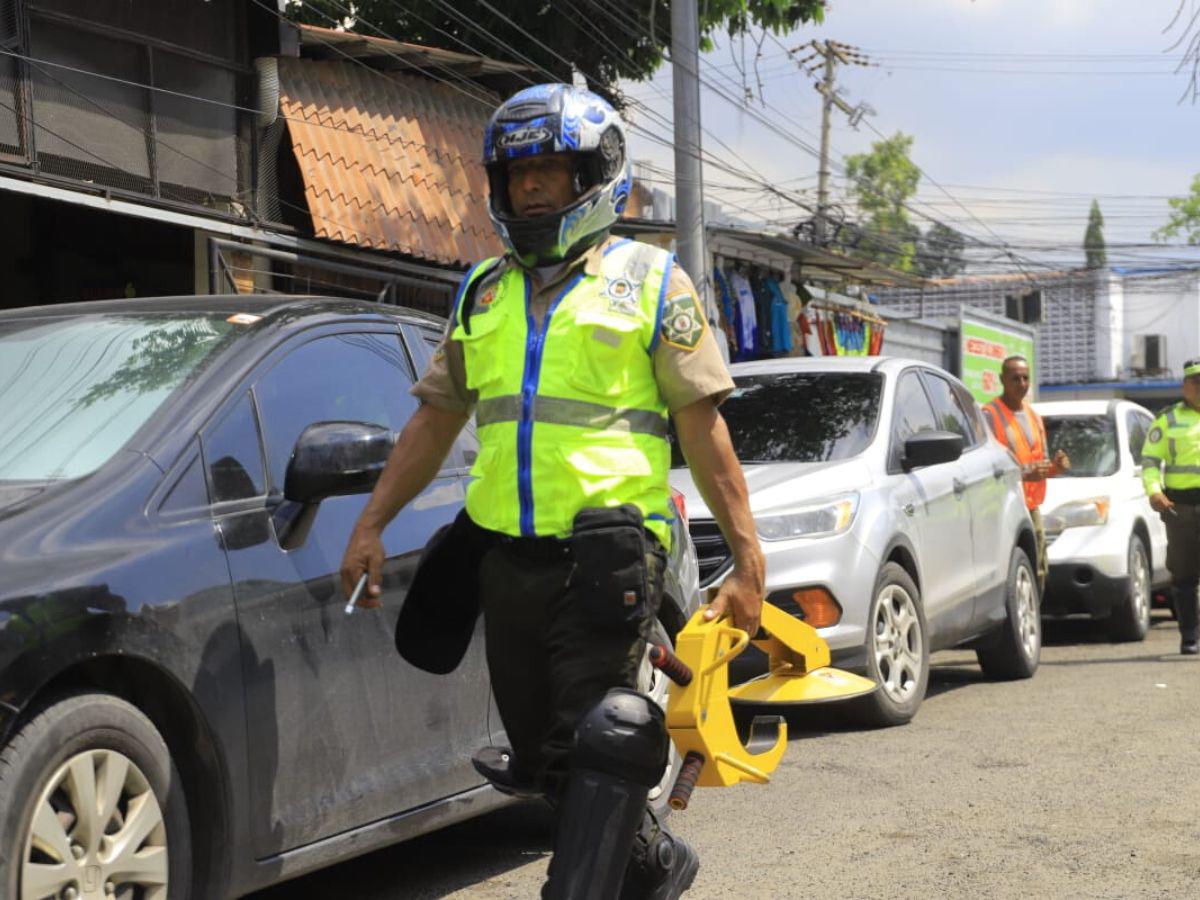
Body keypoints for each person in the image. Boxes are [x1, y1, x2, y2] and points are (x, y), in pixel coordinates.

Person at [339, 83, 764, 898]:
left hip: (611, 555)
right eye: (517, 174)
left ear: (591, 177)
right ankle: (654, 863)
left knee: (603, 738)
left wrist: (747, 558)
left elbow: (704, 425)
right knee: (548, 763)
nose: (531, 188)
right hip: (505, 560)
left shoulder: (652, 282)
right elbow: (432, 420)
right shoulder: (482, 292)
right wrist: (372, 523)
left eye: (551, 171)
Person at [981, 355, 1070, 590]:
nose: (1021, 383)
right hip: (1003, 508)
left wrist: (1056, 467)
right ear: (1002, 379)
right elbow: (986, 468)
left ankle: (1034, 622)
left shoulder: (1034, 417)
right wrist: (1024, 473)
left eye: (1025, 378)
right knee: (1013, 572)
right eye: (1015, 378)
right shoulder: (990, 415)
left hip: (1031, 507)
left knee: (1038, 568)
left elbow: (1041, 464)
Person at [1141, 358, 1200, 655]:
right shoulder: (1167, 419)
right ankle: (1190, 636)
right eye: (1195, 381)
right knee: (1185, 574)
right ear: (1184, 386)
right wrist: (1153, 491)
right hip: (1182, 508)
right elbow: (1150, 463)